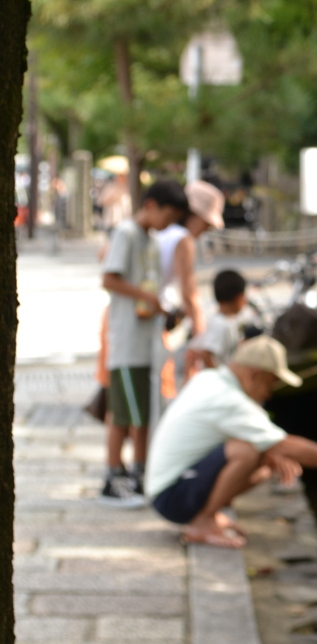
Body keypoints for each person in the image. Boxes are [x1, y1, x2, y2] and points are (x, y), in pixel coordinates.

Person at [146, 335, 317, 548]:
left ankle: (210, 513)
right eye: (270, 383)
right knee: (247, 450)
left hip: (168, 489)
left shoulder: (211, 379)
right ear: (254, 374)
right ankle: (202, 523)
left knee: (265, 459)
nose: (269, 393)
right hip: (170, 497)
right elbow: (283, 444)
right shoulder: (229, 399)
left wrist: (271, 453)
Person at [100, 179, 190, 507]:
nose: (169, 224)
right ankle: (112, 477)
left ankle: (139, 473)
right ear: (151, 205)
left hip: (145, 341)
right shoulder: (125, 234)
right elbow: (108, 279)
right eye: (169, 215)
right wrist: (146, 297)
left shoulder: (151, 240)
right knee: (124, 415)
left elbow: (146, 288)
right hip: (125, 341)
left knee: (142, 413)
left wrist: (160, 306)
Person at [156, 180, 225, 397]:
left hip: (135, 314)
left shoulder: (161, 231)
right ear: (194, 214)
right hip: (151, 318)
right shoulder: (182, 239)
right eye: (206, 224)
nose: (205, 231)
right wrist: (200, 335)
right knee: (159, 390)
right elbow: (189, 292)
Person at [187, 269, 247, 371]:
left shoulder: (224, 320)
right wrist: (219, 376)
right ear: (239, 297)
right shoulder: (220, 324)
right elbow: (206, 353)